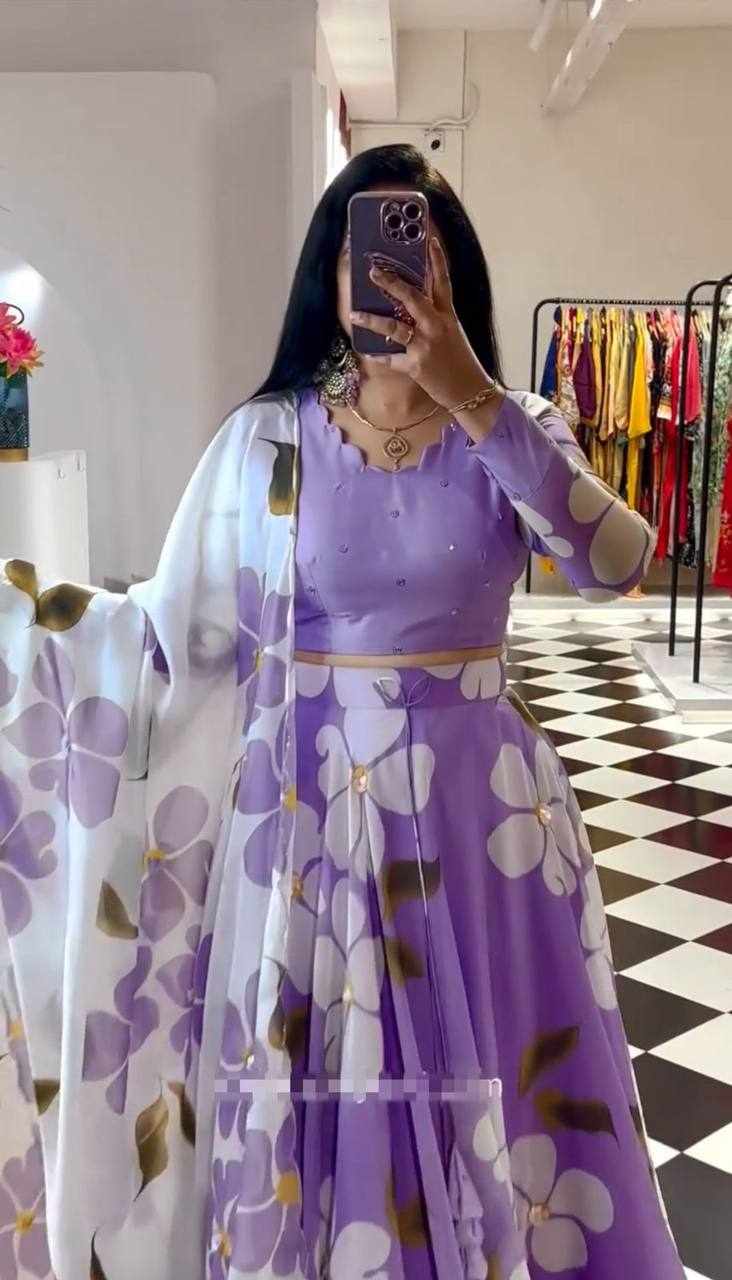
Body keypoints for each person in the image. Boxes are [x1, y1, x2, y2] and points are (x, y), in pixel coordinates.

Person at [0, 144, 684, 1280]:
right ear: (331, 273)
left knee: (501, 1084)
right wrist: (27, 626)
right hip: (308, 824)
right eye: (370, 259)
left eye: (424, 258)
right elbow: (172, 639)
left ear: (456, 276)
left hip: (486, 832)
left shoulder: (512, 426)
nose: (394, 284)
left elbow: (618, 562)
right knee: (320, 1097)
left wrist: (470, 391)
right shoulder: (266, 441)